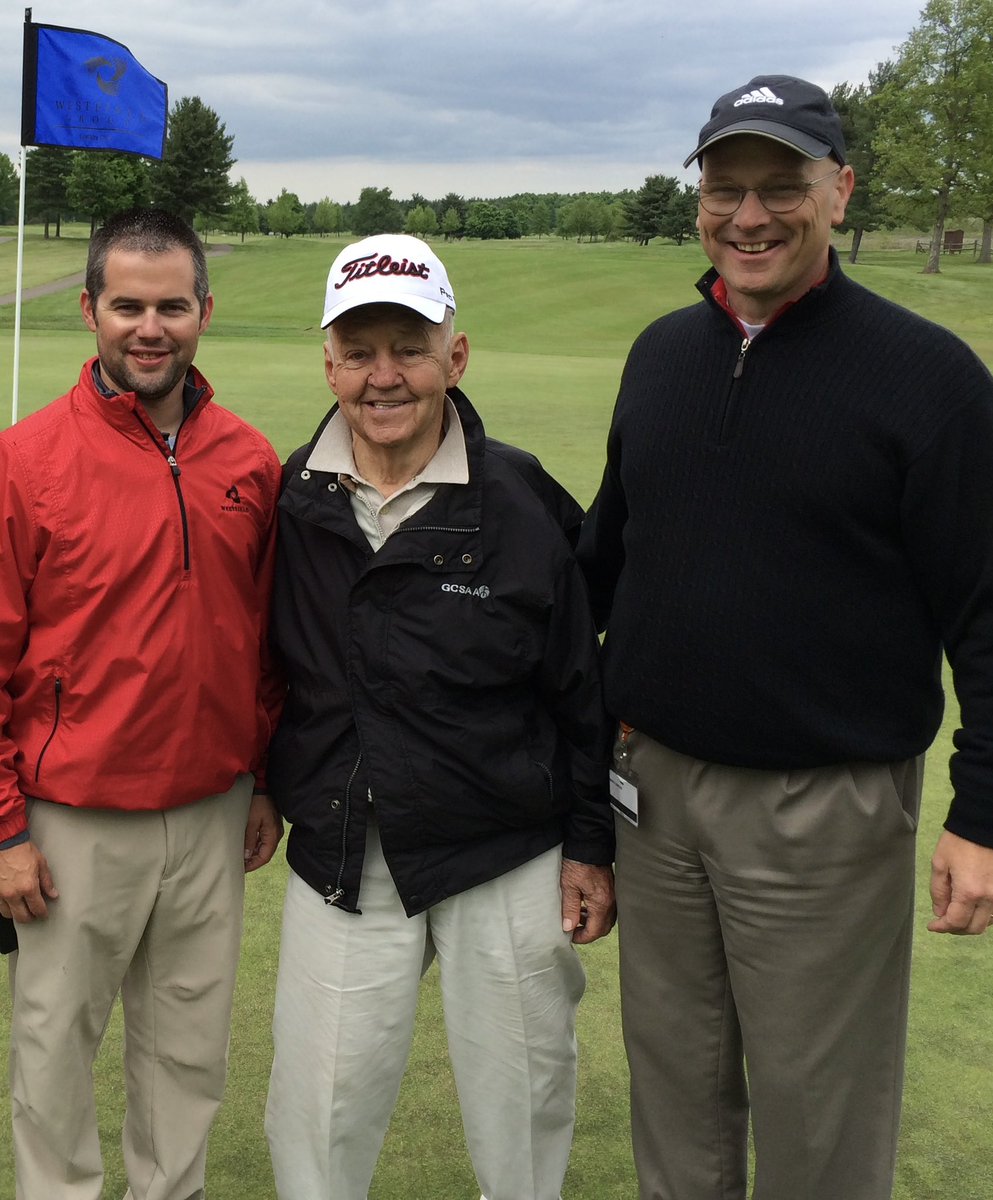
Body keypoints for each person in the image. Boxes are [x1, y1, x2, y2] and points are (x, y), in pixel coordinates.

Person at [577, 74, 993, 1200]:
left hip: (824, 808)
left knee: (819, 1114)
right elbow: (606, 563)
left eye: (781, 186)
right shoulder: (663, 353)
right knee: (675, 1088)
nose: (749, 215)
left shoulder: (930, 380)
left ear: (840, 192)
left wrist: (984, 813)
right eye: (725, 188)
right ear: (699, 201)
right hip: (654, 795)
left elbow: (987, 614)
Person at [263, 233, 615, 1200]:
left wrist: (590, 842)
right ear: (328, 362)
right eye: (360, 350)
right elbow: (264, 666)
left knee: (522, 1097)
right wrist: (260, 785)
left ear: (454, 357)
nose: (386, 376)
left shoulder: (522, 496)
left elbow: (580, 690)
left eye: (409, 348)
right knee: (321, 1105)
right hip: (344, 848)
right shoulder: (291, 496)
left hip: (503, 848)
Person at [0, 208, 283, 1200]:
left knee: (187, 1057)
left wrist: (263, 778)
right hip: (71, 820)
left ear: (205, 311)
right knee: (53, 1061)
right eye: (128, 305)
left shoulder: (250, 461)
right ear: (90, 310)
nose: (149, 327)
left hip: (210, 814)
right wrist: (2, 833)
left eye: (172, 306)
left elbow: (265, 645)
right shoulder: (24, 459)